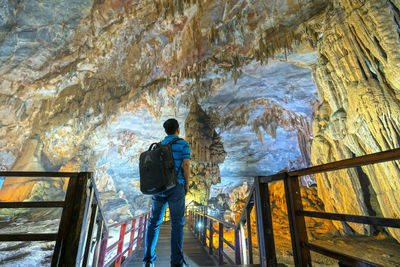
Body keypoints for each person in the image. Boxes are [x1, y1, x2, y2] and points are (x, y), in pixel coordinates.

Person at [143, 118, 191, 267]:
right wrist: (187, 184)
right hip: (176, 187)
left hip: (159, 188)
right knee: (177, 224)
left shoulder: (159, 145)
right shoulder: (183, 144)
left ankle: (148, 260)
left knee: (154, 223)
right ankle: (176, 263)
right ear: (178, 129)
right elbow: (186, 164)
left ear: (165, 131)